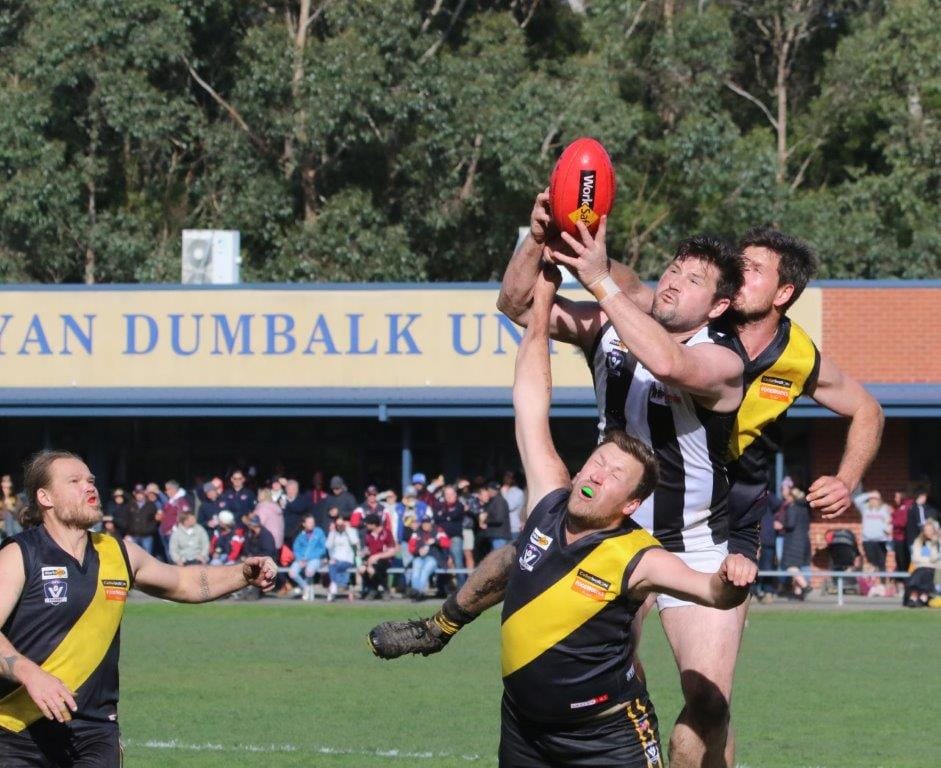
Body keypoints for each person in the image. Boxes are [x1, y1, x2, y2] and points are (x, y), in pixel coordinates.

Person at [498, 196, 884, 768]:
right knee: (603, 680)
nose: (736, 272)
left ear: (780, 293)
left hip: (709, 528)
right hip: (615, 529)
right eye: (678, 269)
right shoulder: (642, 309)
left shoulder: (759, 356)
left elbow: (865, 407)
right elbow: (524, 304)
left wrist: (847, 477)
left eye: (751, 269)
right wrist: (545, 239)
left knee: (709, 701)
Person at [368, 265, 756, 768]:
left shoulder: (638, 555)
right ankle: (438, 627)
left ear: (629, 504)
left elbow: (710, 592)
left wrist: (730, 580)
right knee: (522, 553)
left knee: (707, 700)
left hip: (607, 739)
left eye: (614, 474)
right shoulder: (552, 499)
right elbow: (530, 400)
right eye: (598, 460)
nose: (597, 471)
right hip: (524, 731)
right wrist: (543, 300)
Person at [0, 450, 276, 766]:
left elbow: (183, 582)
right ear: (45, 497)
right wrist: (29, 673)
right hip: (17, 731)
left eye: (90, 480)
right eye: (74, 481)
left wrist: (242, 574)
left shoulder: (118, 553)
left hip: (94, 731)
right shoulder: (20, 554)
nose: (89, 487)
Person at [776, 486, 811, 600]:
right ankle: (798, 593)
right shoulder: (804, 509)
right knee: (797, 567)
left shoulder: (792, 508)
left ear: (792, 497)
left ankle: (805, 586)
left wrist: (781, 525)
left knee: (789, 566)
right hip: (804, 540)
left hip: (793, 541)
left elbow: (790, 524)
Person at [406, 518, 451, 601]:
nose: (425, 526)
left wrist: (436, 541)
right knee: (416, 570)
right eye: (424, 524)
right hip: (419, 557)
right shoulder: (417, 532)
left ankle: (420, 592)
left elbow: (447, 543)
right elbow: (411, 547)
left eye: (427, 524)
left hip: (434, 557)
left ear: (431, 524)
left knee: (425, 571)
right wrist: (418, 551)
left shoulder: (438, 530)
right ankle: (416, 591)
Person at [854, 490, 892, 580]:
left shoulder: (885, 509)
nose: (873, 501)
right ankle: (872, 584)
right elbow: (856, 500)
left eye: (875, 499)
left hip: (881, 540)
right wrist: (870, 494)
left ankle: (882, 583)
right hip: (867, 541)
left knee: (881, 563)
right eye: (871, 499)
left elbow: (889, 522)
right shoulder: (865, 508)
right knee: (871, 564)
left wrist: (888, 532)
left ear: (879, 500)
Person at [287, 515, 327, 600]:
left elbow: (323, 549)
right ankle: (305, 587)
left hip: (315, 558)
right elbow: (296, 548)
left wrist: (308, 558)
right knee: (292, 573)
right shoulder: (300, 535)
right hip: (301, 559)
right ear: (304, 524)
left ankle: (304, 590)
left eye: (313, 522)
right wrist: (299, 559)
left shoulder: (319, 532)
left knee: (309, 572)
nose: (312, 524)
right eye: (309, 522)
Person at [358, 513, 396, 600]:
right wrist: (365, 552)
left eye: (367, 523)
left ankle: (383, 589)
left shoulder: (386, 533)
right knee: (361, 569)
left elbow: (392, 551)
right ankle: (373, 589)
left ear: (374, 524)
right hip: (371, 559)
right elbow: (368, 548)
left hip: (385, 559)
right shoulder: (368, 534)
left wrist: (377, 556)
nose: (366, 525)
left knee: (372, 569)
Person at [907, 519, 941, 607]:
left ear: (934, 531)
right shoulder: (918, 542)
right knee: (918, 574)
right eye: (926, 530)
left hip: (934, 568)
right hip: (921, 567)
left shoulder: (937, 542)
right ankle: (914, 598)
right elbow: (916, 558)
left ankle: (923, 597)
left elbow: (935, 558)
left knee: (926, 573)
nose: (928, 532)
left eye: (930, 530)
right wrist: (928, 560)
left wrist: (933, 544)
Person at [325, 515, 359, 602]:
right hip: (336, 559)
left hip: (347, 559)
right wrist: (332, 533)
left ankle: (335, 585)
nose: (340, 527)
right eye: (338, 525)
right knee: (332, 564)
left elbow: (354, 542)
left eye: (341, 524)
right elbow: (328, 546)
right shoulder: (333, 533)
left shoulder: (351, 531)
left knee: (334, 566)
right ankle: (339, 585)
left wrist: (347, 529)